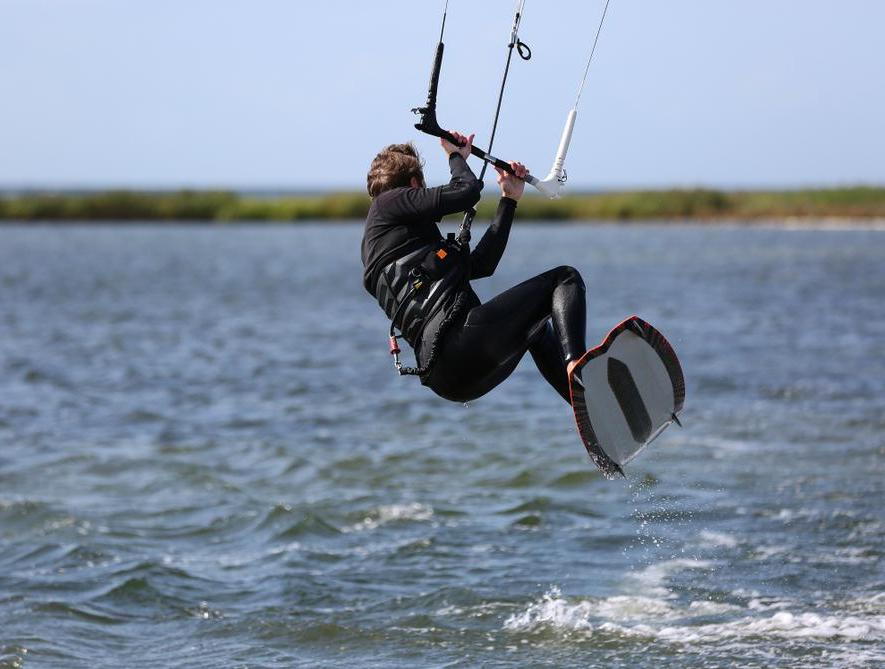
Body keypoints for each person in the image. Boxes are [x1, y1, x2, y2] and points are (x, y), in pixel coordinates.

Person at [361, 131, 588, 404]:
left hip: (446, 379)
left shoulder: (394, 243)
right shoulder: (386, 203)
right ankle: (580, 372)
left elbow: (482, 264)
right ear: (414, 185)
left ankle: (587, 406)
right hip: (459, 344)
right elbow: (466, 190)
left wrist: (509, 199)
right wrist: (455, 155)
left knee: (537, 328)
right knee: (564, 279)